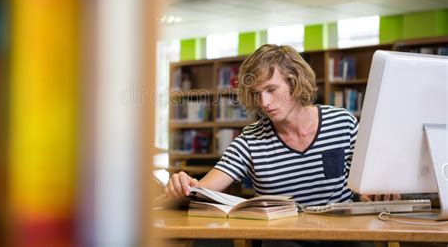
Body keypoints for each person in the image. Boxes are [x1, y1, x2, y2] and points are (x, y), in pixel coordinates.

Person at [165, 44, 398, 205]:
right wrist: (183, 186)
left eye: (271, 90)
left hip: (342, 239)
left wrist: (377, 193)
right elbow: (202, 190)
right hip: (283, 239)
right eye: (257, 93)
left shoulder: (343, 123)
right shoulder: (250, 140)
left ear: (294, 82)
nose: (264, 102)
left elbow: (367, 187)